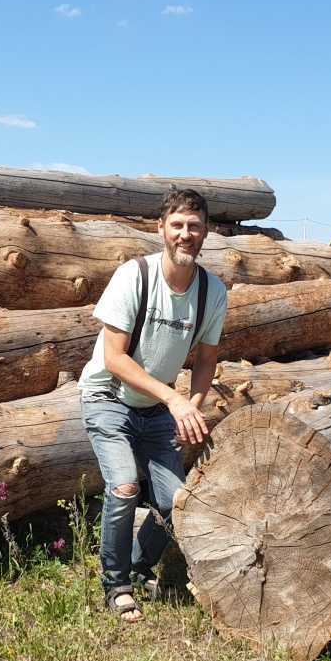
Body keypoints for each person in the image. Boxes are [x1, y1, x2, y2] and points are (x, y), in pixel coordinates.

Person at [78, 188, 228, 623]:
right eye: (177, 225)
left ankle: (141, 567)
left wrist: (192, 408)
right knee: (124, 485)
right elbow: (114, 358)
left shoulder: (211, 291)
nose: (186, 234)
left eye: (194, 226)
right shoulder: (134, 276)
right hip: (109, 397)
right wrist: (175, 399)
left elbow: (206, 360)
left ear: (206, 233)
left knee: (174, 501)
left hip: (158, 406)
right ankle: (116, 583)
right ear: (161, 229)